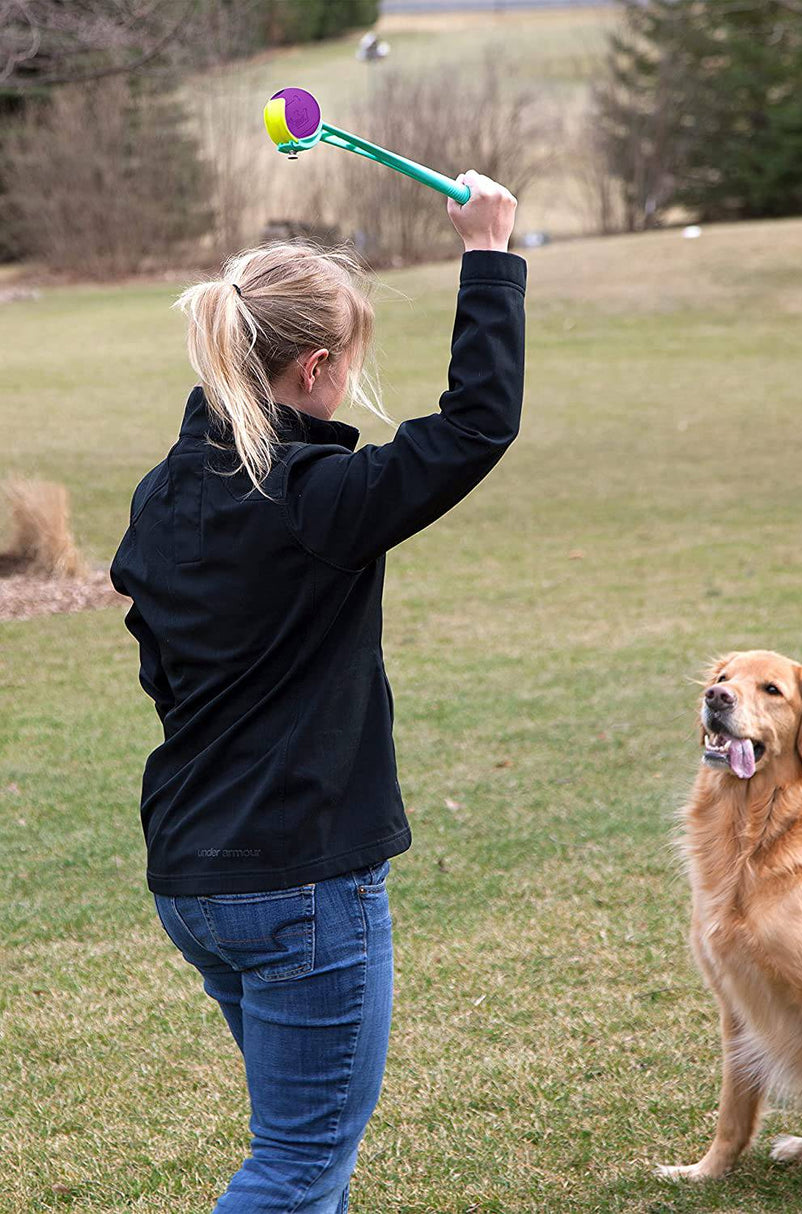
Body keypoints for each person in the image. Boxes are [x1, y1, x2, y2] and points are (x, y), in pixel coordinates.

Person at [108, 171, 524, 1212]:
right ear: (318, 366)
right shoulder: (315, 500)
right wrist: (488, 254)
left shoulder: (163, 494)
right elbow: (475, 427)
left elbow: (162, 666)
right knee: (296, 1163)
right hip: (295, 886)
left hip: (192, 879)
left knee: (305, 1151)